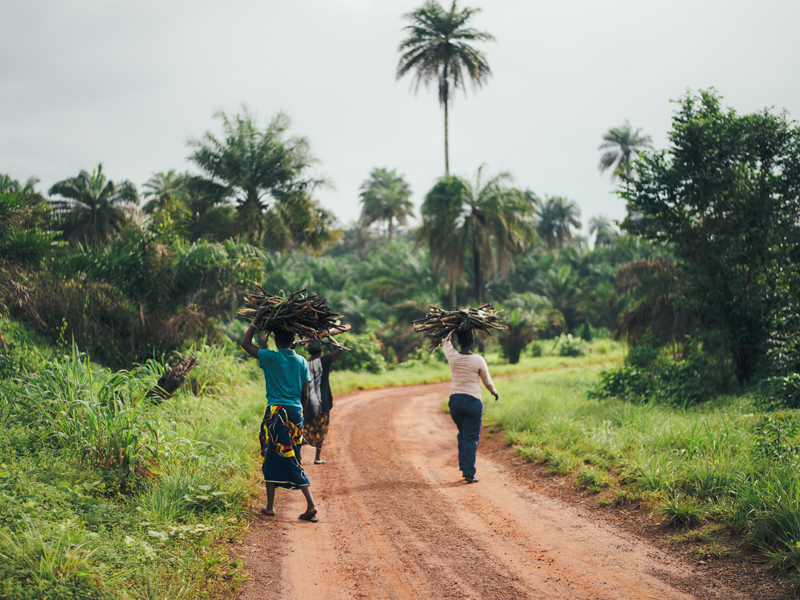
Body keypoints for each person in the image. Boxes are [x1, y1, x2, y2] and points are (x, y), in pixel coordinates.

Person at [241, 306, 318, 522]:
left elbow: (245, 344)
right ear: (293, 340)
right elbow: (305, 394)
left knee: (280, 456)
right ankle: (270, 506)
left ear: (276, 341)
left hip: (276, 414)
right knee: (280, 456)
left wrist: (256, 318)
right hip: (295, 413)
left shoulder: (270, 358)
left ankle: (311, 504)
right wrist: (299, 414)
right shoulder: (302, 361)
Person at [443, 329, 499, 484]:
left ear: (459, 341)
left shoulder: (452, 356)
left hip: (455, 402)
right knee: (470, 437)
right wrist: (494, 392)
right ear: (472, 341)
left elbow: (444, 341)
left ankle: (464, 467)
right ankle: (469, 473)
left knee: (462, 433)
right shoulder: (478, 360)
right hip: (472, 402)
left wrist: (450, 327)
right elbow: (487, 382)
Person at [301, 341, 342, 464]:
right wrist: (329, 337)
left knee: (303, 428)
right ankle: (317, 457)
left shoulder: (303, 363)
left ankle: (298, 456)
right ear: (321, 351)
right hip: (322, 403)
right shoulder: (324, 361)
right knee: (321, 428)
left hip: (306, 403)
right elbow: (339, 349)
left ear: (309, 352)